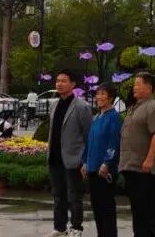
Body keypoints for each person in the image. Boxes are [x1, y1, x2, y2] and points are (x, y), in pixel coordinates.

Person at [47, 70, 92, 237]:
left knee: (74, 196)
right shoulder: (54, 105)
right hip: (55, 158)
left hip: (74, 159)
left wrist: (86, 160)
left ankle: (76, 228)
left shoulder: (82, 107)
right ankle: (60, 227)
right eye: (57, 81)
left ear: (73, 84)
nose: (59, 84)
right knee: (58, 196)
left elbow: (88, 135)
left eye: (64, 81)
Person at [119, 72, 155, 237]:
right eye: (134, 84)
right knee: (137, 211)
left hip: (144, 169)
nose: (134, 87)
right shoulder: (133, 107)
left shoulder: (153, 107)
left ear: (149, 87)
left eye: (138, 84)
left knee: (145, 212)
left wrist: (149, 159)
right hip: (131, 167)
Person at [81, 82, 122, 237]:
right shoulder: (97, 117)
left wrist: (107, 163)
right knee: (97, 208)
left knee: (106, 209)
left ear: (111, 97)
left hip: (104, 171)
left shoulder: (114, 118)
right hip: (92, 168)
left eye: (103, 94)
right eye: (98, 93)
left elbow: (114, 143)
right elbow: (89, 142)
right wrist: (85, 162)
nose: (99, 97)